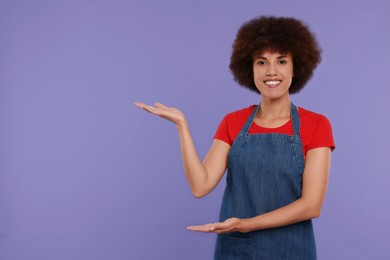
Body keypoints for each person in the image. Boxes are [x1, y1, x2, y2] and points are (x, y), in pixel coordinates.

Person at [134, 16, 335, 260]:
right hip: (238, 252)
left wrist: (246, 224)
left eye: (281, 61)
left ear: (296, 67)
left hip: (291, 250)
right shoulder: (234, 122)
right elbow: (201, 185)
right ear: (250, 69)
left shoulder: (316, 125)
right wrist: (182, 126)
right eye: (262, 62)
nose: (271, 71)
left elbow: (311, 205)